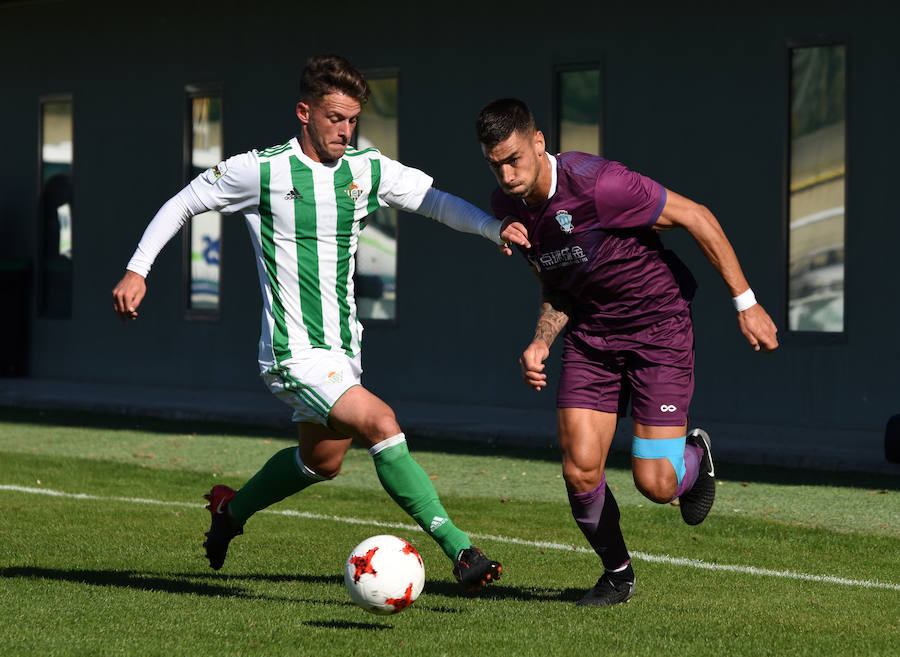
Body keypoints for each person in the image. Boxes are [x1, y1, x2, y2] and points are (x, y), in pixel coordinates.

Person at [111, 55, 503, 590]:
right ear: (305, 112)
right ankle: (461, 549)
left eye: (352, 119)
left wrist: (493, 228)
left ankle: (230, 511)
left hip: (343, 350)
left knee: (322, 462)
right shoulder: (261, 169)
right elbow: (184, 202)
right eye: (334, 117)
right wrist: (138, 269)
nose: (345, 129)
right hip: (293, 352)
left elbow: (435, 203)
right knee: (382, 424)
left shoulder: (366, 169)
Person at [475, 98, 778, 606]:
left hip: (658, 331)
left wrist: (746, 303)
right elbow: (559, 285)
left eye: (514, 160)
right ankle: (618, 574)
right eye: (494, 164)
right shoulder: (507, 209)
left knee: (657, 484)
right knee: (579, 469)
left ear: (538, 142)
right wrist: (541, 340)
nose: (506, 175)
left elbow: (697, 217)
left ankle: (695, 456)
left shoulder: (601, 184)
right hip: (593, 340)